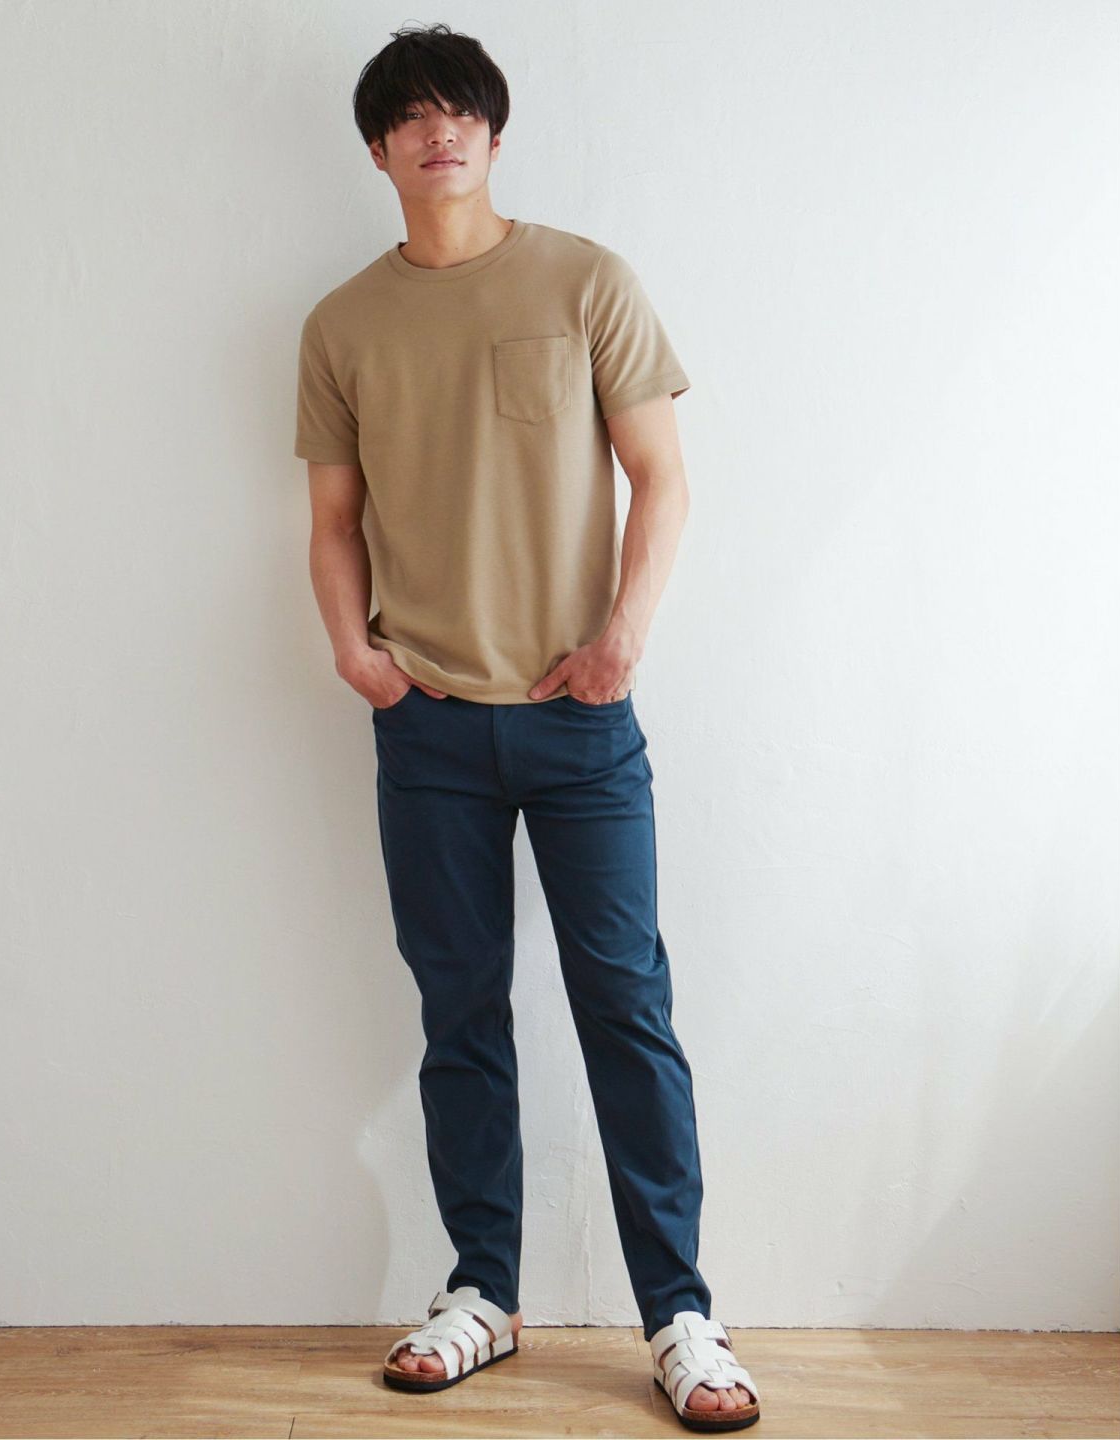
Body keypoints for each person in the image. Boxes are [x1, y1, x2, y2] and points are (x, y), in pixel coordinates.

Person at [294, 21, 761, 1432]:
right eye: (410, 116)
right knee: (460, 1013)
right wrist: (357, 656)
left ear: (495, 135)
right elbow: (332, 521)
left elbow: (661, 477)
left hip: (579, 720)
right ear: (378, 150)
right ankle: (481, 1292)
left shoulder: (584, 280)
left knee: (627, 1008)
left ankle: (681, 1315)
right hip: (427, 723)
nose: (438, 132)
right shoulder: (342, 325)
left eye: (461, 111)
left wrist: (623, 640)